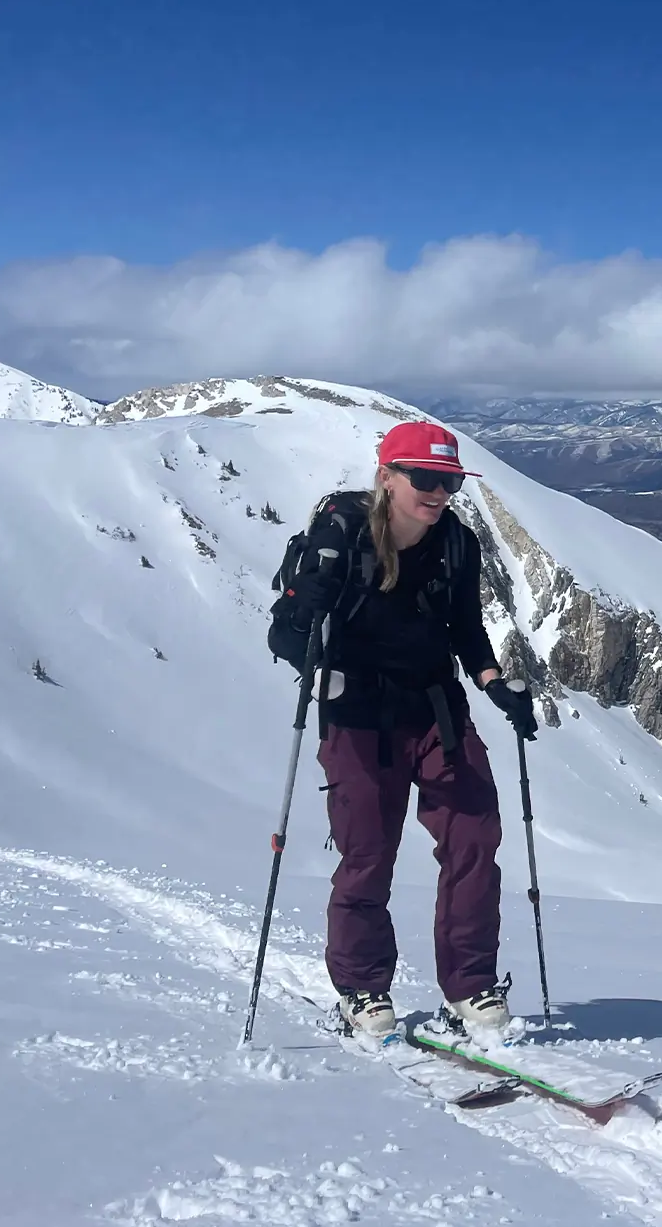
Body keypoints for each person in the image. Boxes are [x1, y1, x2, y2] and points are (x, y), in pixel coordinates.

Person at [268, 421, 540, 1044]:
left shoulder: (457, 545)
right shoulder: (340, 535)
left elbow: (466, 629)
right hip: (359, 716)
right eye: (426, 478)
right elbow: (286, 629)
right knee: (368, 852)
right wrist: (311, 654)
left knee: (475, 835)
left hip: (434, 709)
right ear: (387, 476)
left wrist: (496, 685)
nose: (439, 492)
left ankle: (470, 986)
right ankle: (362, 987)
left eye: (448, 481)